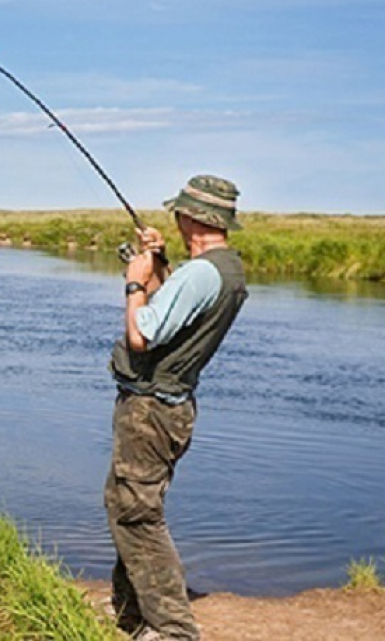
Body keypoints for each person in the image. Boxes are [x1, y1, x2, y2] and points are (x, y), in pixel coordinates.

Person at [104, 175, 248, 640]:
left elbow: (142, 334)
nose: (174, 218)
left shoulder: (202, 273)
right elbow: (179, 309)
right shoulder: (221, 269)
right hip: (167, 408)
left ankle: (171, 630)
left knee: (138, 515)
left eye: (178, 212)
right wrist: (162, 262)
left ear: (193, 218)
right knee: (126, 503)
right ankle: (131, 613)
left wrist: (134, 283)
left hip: (151, 411)